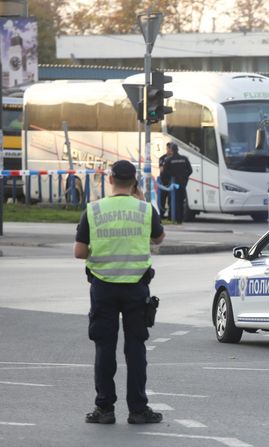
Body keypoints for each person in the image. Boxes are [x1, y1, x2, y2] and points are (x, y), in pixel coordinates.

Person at [74, 160, 165, 425]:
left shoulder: (93, 210)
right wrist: (142, 199)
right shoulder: (145, 210)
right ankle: (138, 410)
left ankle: (105, 409)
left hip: (103, 288)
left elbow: (80, 252)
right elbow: (159, 239)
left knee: (105, 348)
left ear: (110, 180)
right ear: (134, 181)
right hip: (136, 288)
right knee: (135, 348)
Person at [163, 144, 193, 223]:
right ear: (178, 150)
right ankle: (180, 219)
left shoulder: (169, 160)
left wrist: (169, 179)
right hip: (182, 183)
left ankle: (173, 218)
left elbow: (165, 172)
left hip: (174, 183)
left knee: (173, 200)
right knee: (181, 201)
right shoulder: (184, 159)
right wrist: (184, 178)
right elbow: (190, 170)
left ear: (172, 150)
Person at [158, 142, 174, 218]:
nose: (170, 150)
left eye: (171, 148)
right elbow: (161, 169)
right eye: (169, 148)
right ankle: (161, 215)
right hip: (164, 181)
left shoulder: (175, 158)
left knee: (171, 199)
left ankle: (171, 216)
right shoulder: (162, 158)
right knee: (162, 199)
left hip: (172, 182)